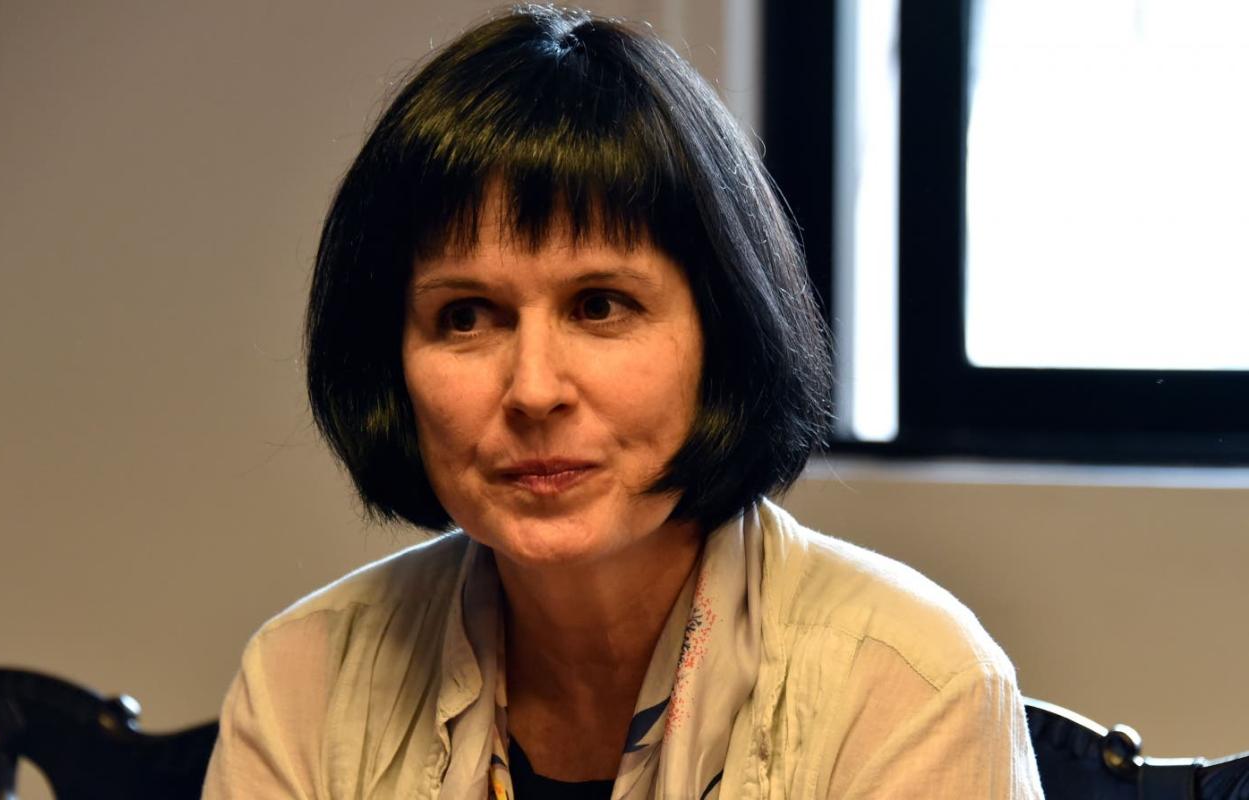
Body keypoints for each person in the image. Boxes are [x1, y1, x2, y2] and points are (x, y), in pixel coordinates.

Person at [201, 5, 1044, 798]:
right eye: (466, 316)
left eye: (599, 305)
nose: (534, 390)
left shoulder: (908, 681)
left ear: (723, 332)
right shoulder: (304, 677)